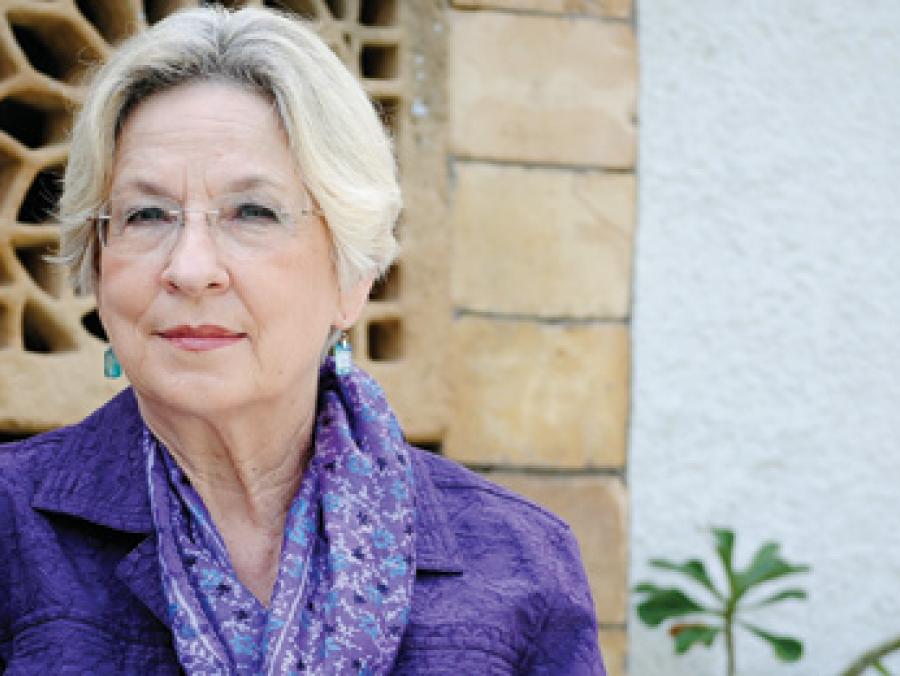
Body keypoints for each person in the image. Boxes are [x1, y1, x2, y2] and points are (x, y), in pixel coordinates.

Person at [0, 6, 604, 674]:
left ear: (353, 275)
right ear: (96, 262)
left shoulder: (521, 564)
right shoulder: (12, 531)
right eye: (147, 214)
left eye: (252, 212)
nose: (190, 268)